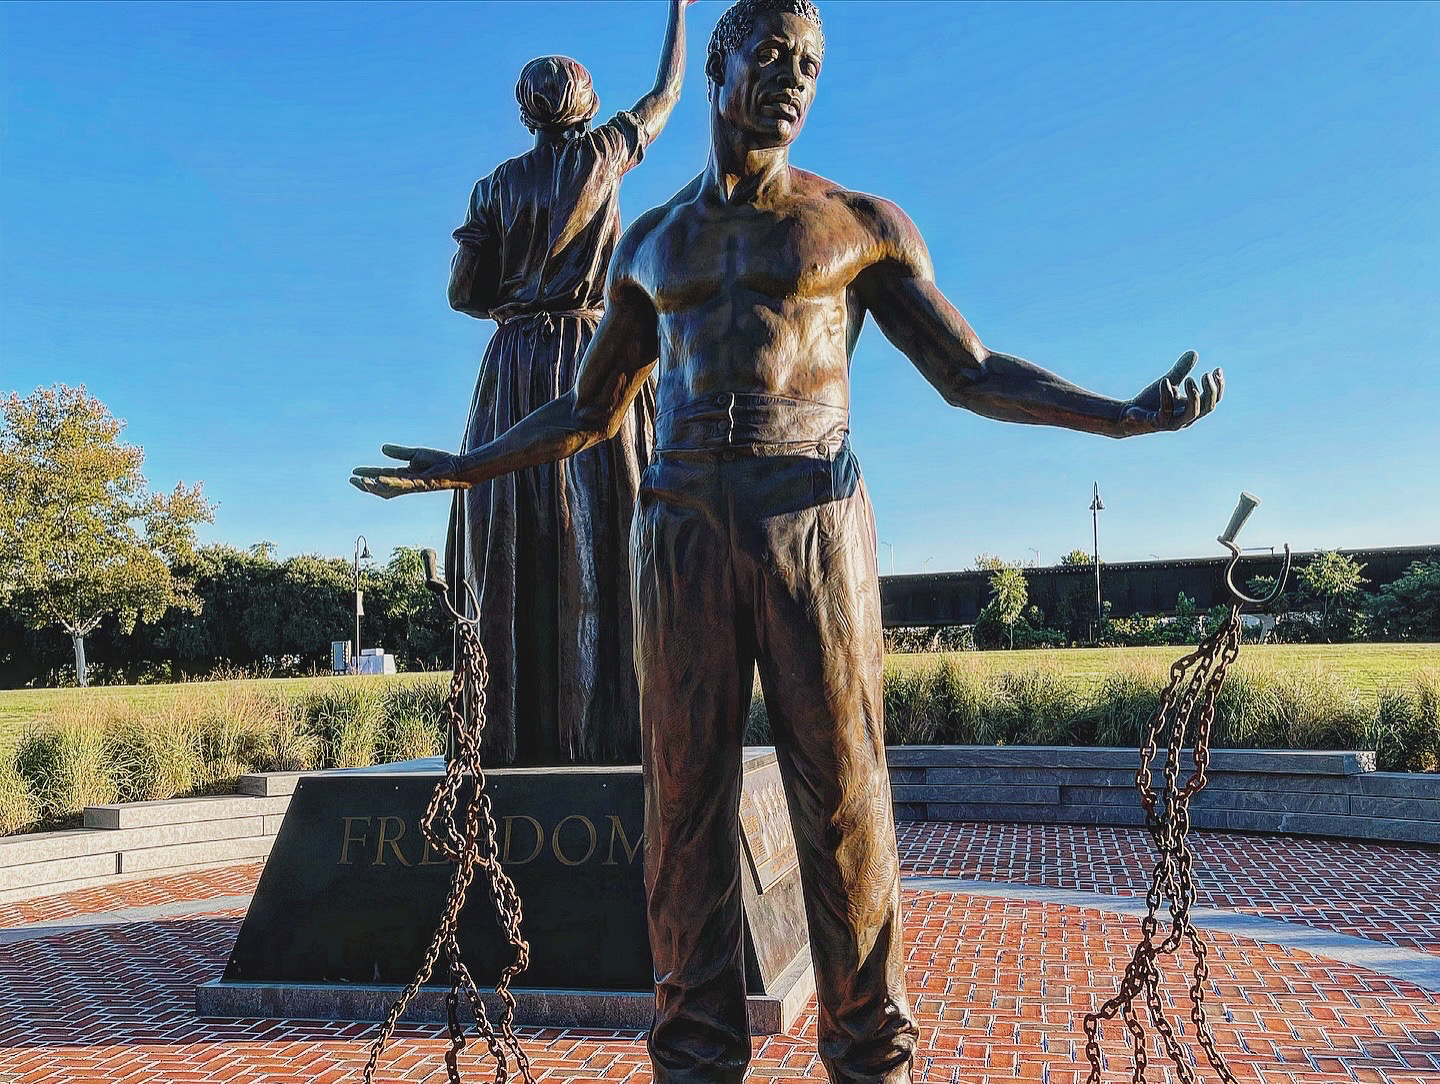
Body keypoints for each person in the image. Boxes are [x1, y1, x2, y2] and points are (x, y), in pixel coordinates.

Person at [353, 0, 1223, 1079]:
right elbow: (588, 412)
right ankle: (697, 1055)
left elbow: (972, 371)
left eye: (809, 63)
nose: (793, 78)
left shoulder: (859, 222)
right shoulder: (652, 241)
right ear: (717, 68)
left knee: (845, 799)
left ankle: (870, 1055)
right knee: (679, 810)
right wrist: (465, 463)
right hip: (675, 525)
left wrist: (1119, 416)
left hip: (810, 512)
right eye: (771, 56)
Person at [443, 0, 691, 766]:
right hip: (592, 352)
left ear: (526, 113)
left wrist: (515, 301)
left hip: (514, 367)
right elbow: (670, 90)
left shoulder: (494, 188)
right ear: (585, 104)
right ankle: (612, 727)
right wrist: (679, 10)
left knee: (509, 535)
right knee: (610, 530)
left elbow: (462, 292)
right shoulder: (606, 154)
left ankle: (507, 732)